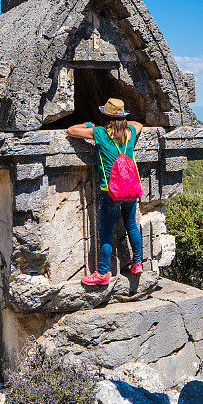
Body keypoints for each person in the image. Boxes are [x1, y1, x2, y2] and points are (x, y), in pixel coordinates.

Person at [67, 98, 144, 286]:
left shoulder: (100, 133)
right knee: (131, 225)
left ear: (106, 117)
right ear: (123, 117)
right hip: (131, 191)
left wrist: (89, 124)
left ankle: (102, 273)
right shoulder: (130, 133)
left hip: (111, 192)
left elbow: (71, 130)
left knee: (105, 233)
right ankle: (138, 263)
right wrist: (124, 121)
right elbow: (139, 124)